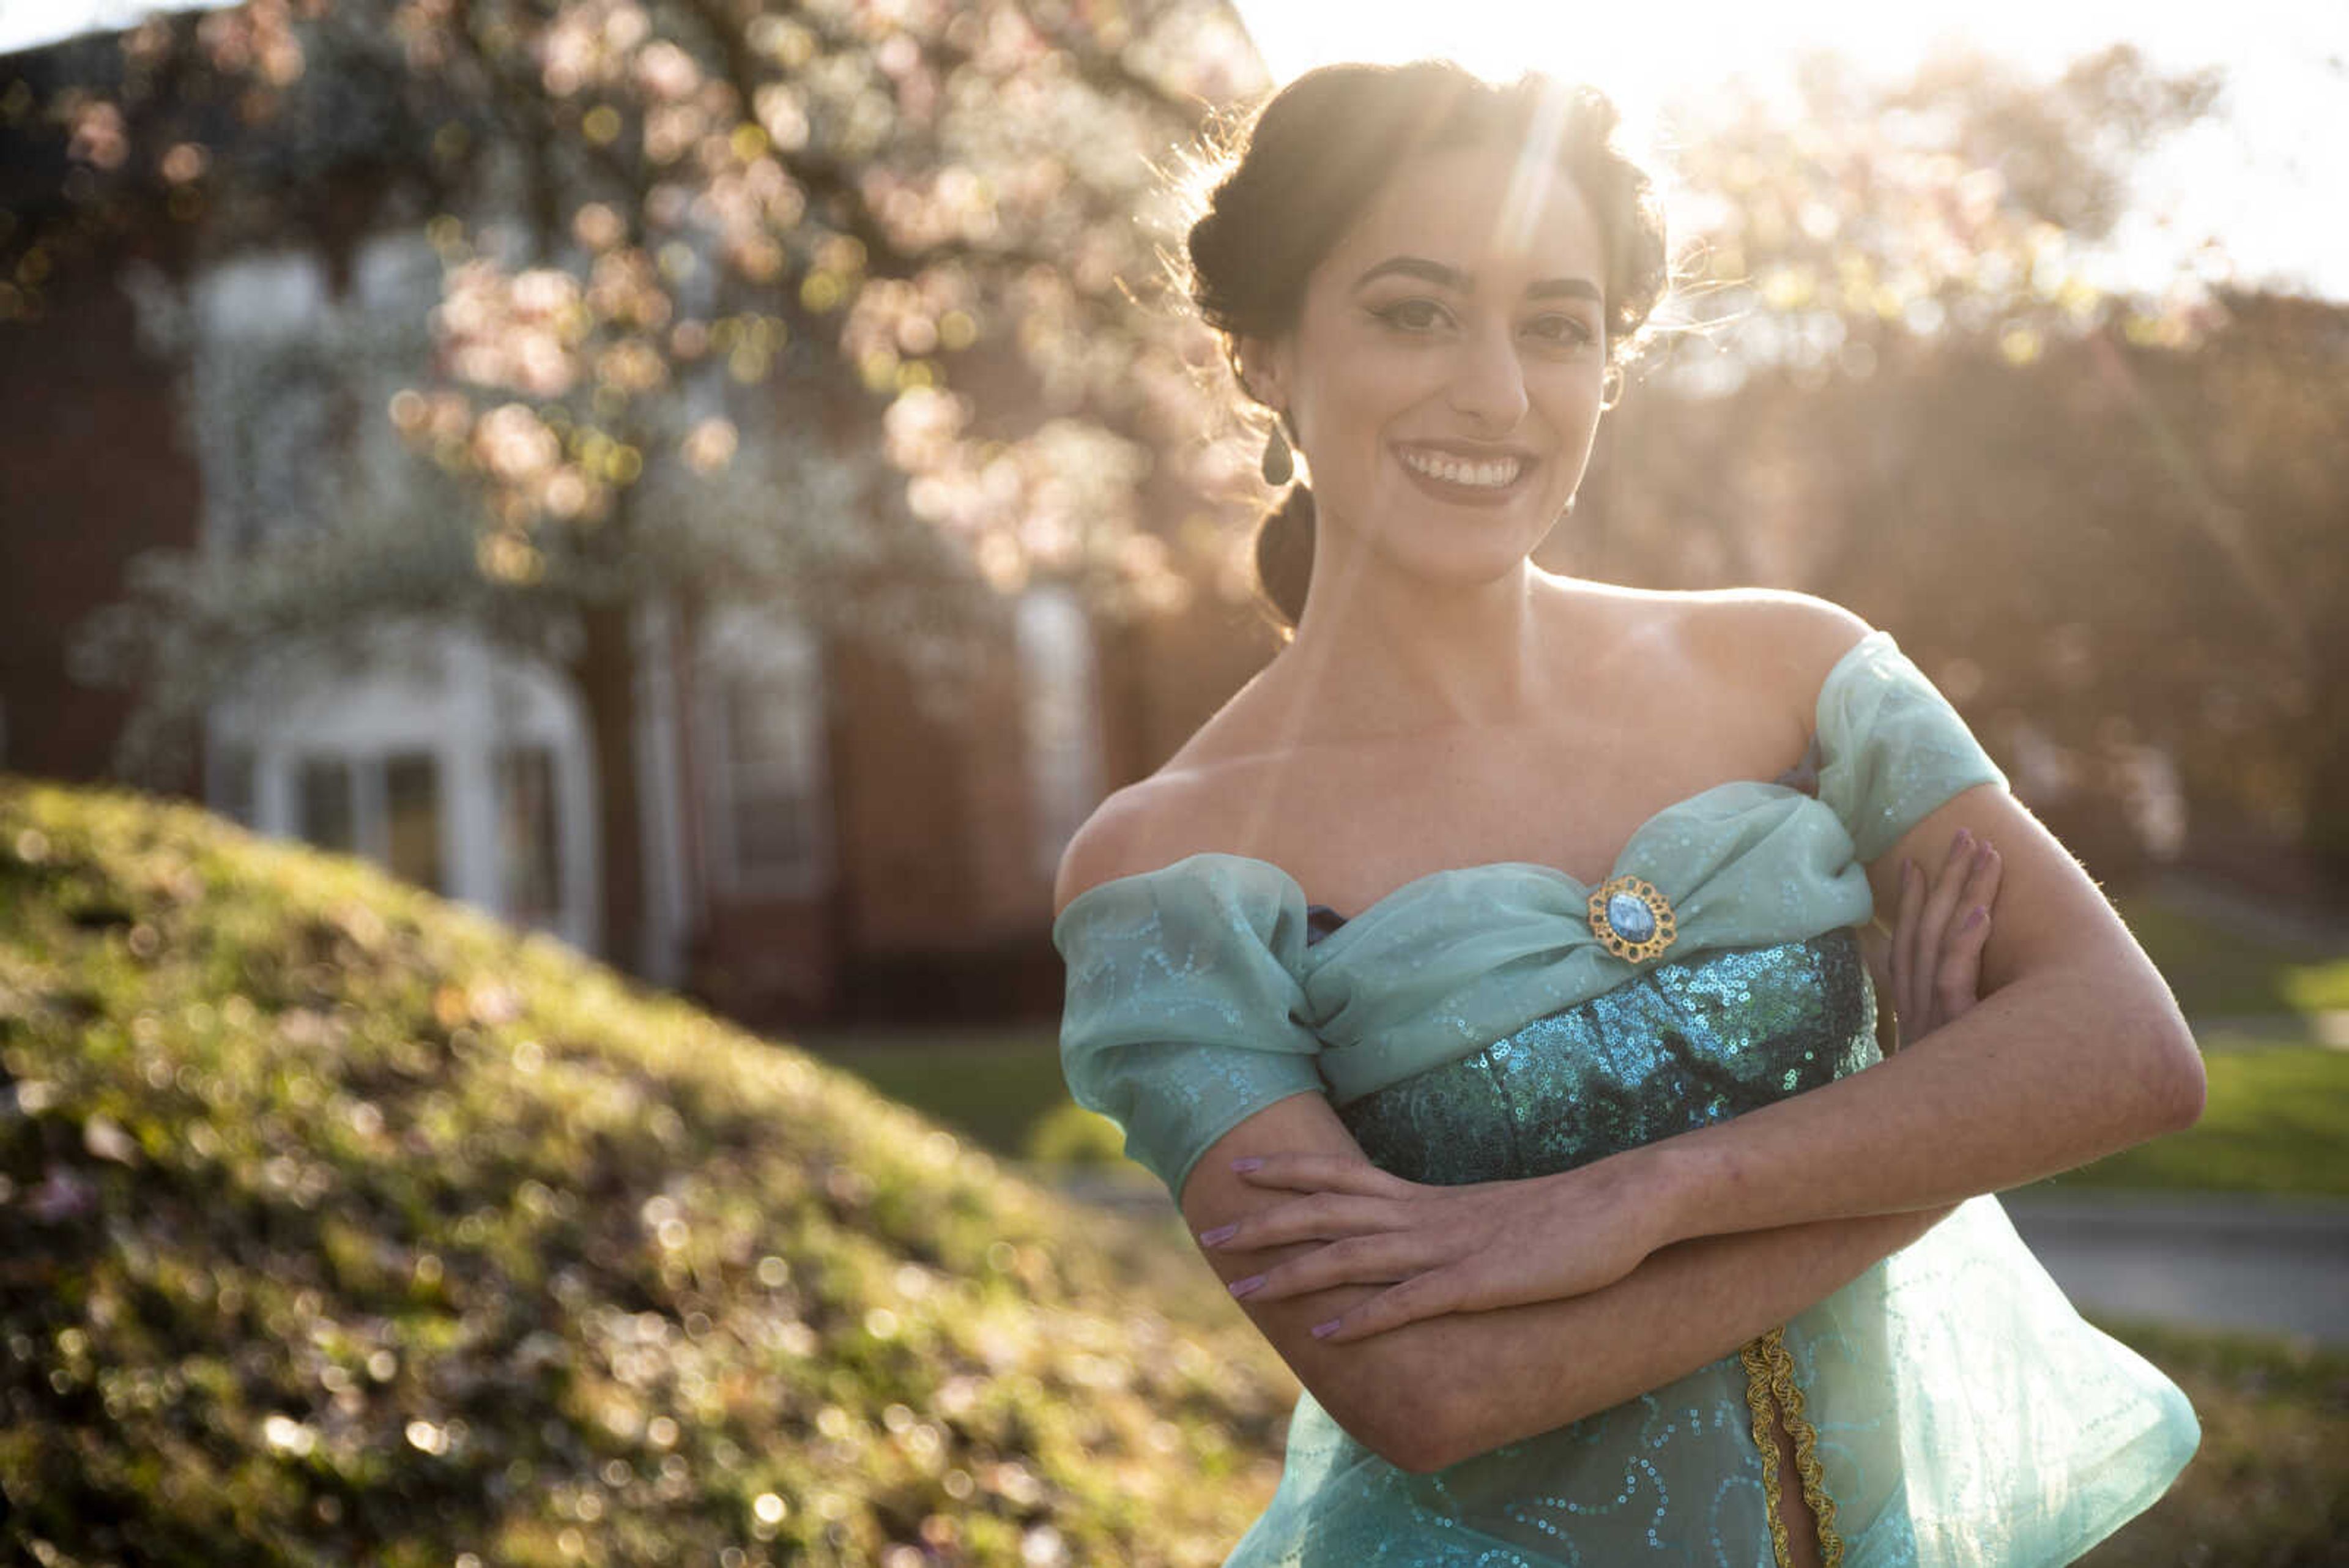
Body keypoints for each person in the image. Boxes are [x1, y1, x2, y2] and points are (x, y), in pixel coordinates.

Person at [1049, 59, 2203, 1568]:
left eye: (1556, 326)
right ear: (1264, 348)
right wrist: (1926, 1128)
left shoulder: (1802, 670)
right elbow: (1430, 1386)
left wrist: (1650, 1198)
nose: (1498, 392)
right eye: (1415, 311)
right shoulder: (1169, 872)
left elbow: (2128, 1055)